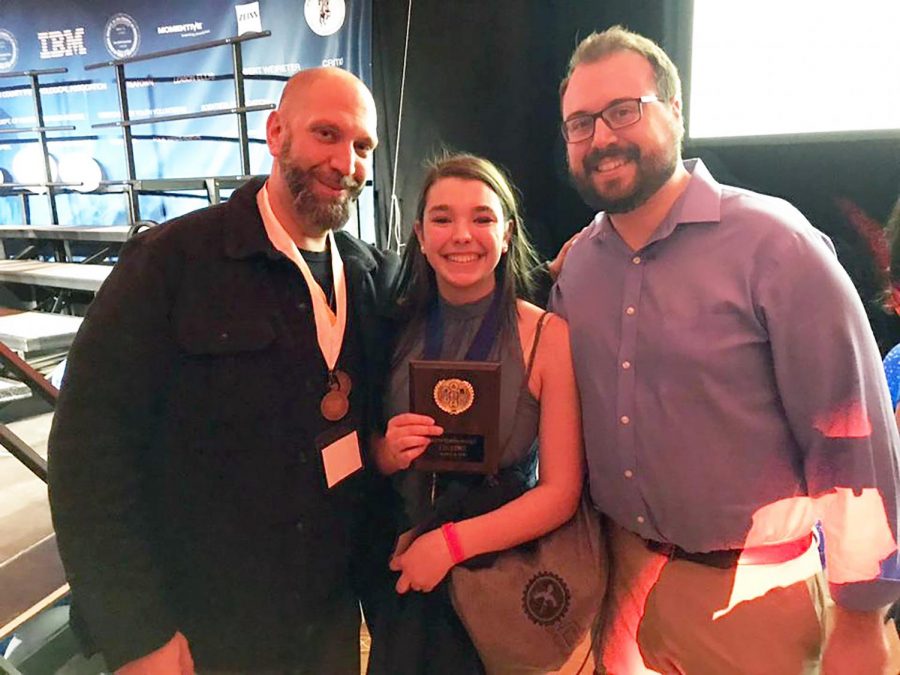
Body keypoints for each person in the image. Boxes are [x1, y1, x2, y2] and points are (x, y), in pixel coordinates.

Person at [550, 25, 900, 674]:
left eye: (623, 111)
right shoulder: (578, 271)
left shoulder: (776, 247)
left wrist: (862, 614)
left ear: (675, 112)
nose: (601, 137)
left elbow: (852, 442)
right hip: (618, 576)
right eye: (580, 123)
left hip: (755, 592)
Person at [47, 67, 399, 674]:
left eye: (362, 146)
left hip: (327, 621)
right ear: (276, 133)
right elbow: (88, 453)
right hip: (204, 628)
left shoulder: (370, 277)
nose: (346, 161)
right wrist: (135, 632)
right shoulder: (169, 266)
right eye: (326, 134)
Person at [367, 154, 585, 673]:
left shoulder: (547, 337)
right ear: (420, 235)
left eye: (482, 218)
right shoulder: (391, 329)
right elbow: (366, 456)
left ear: (507, 234)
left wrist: (449, 546)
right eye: (443, 219)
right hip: (405, 573)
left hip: (501, 579)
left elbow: (561, 493)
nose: (462, 234)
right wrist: (386, 453)